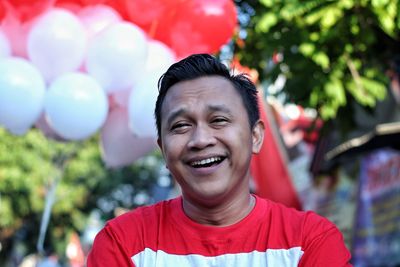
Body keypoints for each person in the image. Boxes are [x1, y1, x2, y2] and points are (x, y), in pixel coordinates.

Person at [87, 54, 352, 266]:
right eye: (180, 125)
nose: (201, 139)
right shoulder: (123, 243)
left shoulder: (310, 242)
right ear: (163, 149)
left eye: (219, 120)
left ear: (256, 136)